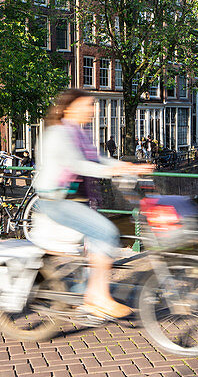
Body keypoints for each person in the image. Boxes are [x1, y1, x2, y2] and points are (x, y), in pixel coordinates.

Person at [32, 89, 153, 320]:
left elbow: (96, 158)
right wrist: (113, 171)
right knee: (105, 232)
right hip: (58, 201)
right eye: (87, 105)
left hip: (76, 199)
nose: (91, 110)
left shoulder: (78, 132)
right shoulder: (58, 133)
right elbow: (77, 165)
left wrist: (128, 166)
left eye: (92, 105)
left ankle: (81, 294)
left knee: (93, 244)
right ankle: (97, 298)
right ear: (69, 108)